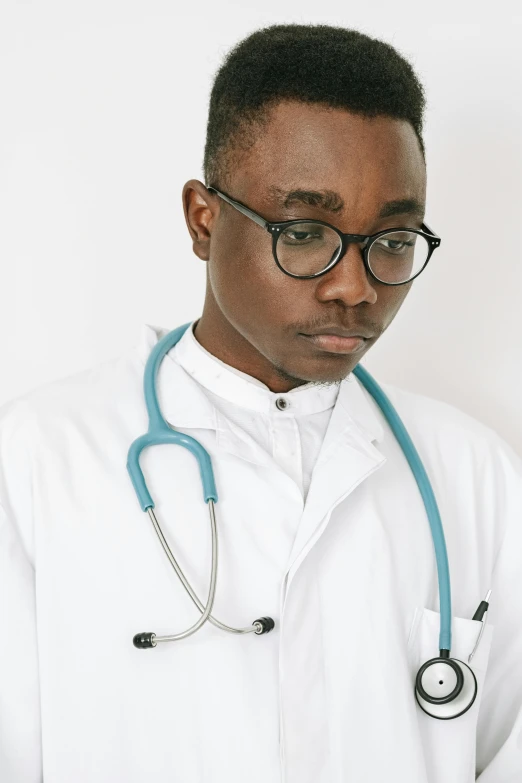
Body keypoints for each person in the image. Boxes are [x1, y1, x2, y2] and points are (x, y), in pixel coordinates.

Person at [0, 22, 521, 783]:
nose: (357, 286)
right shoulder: (39, 458)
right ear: (203, 220)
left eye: (395, 238)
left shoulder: (474, 474)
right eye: (305, 232)